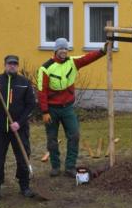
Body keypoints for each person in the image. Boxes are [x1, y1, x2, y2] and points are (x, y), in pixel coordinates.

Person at [38, 37, 110, 177]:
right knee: (52, 139)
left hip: (67, 108)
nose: (64, 51)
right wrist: (45, 111)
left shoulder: (72, 62)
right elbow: (42, 91)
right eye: (61, 49)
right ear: (56, 50)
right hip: (52, 109)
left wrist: (102, 51)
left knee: (74, 135)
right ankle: (55, 166)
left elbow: (87, 58)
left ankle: (70, 166)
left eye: (66, 48)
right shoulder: (45, 68)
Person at [0, 55, 36, 203]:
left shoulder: (24, 83)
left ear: (17, 66)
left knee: (23, 158)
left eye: (15, 64)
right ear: (5, 65)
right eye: (10, 64)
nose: (12, 66)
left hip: (19, 129)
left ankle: (25, 186)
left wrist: (19, 123)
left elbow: (31, 105)